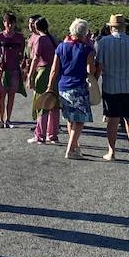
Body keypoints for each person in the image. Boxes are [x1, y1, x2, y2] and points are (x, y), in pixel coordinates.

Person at [93, 13, 129, 160]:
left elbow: (99, 66)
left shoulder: (103, 42)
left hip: (110, 86)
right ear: (124, 27)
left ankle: (111, 151)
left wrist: (94, 83)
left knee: (112, 119)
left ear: (111, 28)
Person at [49, 18, 96, 160]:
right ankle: (70, 149)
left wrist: (50, 86)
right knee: (80, 119)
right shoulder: (87, 49)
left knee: (70, 119)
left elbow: (54, 70)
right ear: (85, 32)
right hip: (79, 86)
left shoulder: (61, 47)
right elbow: (90, 70)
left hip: (63, 86)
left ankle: (75, 147)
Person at [0, 13, 27, 129]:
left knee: (11, 96)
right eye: (7, 23)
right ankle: (0, 120)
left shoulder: (20, 37)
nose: (10, 25)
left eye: (12, 23)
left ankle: (8, 120)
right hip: (2, 70)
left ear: (15, 23)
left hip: (15, 69)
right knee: (1, 95)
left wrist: (23, 65)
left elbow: (23, 53)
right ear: (4, 23)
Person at [27, 16, 60, 145]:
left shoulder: (40, 39)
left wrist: (30, 76)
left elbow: (35, 58)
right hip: (55, 72)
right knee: (54, 105)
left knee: (42, 104)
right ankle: (52, 134)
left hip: (43, 71)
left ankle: (40, 135)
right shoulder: (54, 39)